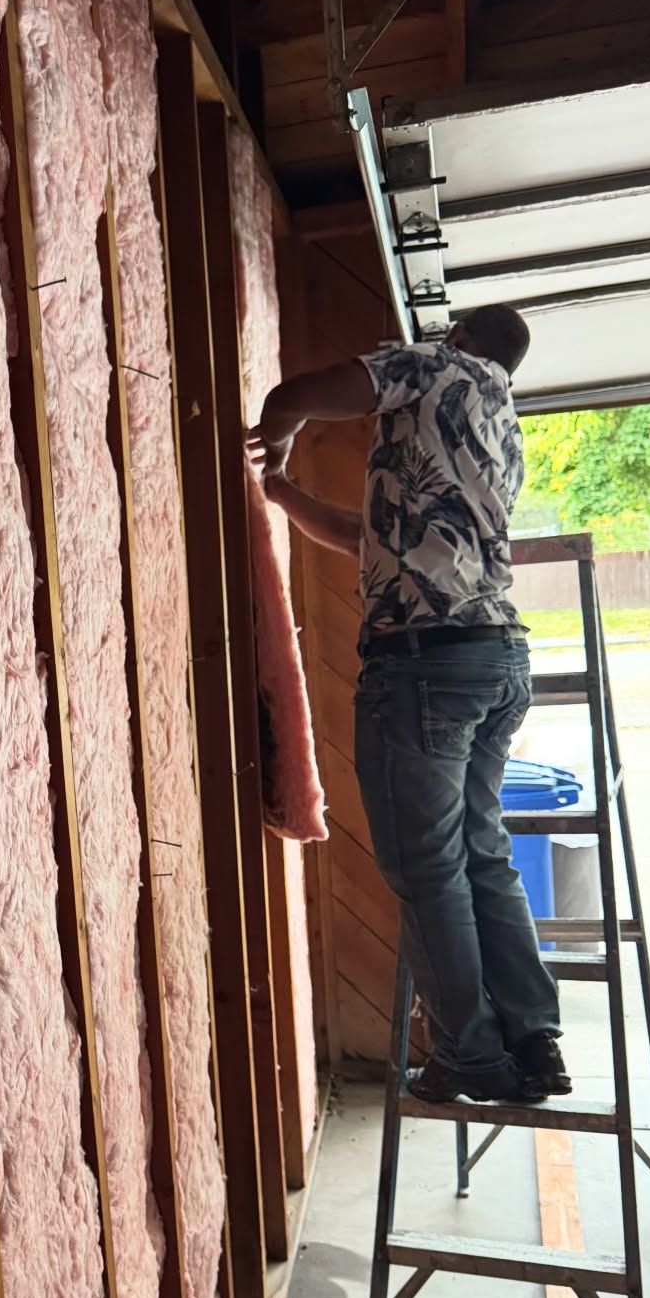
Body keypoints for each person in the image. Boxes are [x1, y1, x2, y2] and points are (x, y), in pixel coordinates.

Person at [246, 304, 568, 1105]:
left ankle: (469, 1054)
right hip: (496, 658)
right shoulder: (499, 424)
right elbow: (379, 539)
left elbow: (292, 397)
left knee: (429, 867)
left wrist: (271, 443)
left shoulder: (431, 367)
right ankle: (533, 1038)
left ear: (457, 333)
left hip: (424, 666)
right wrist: (281, 497)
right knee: (482, 853)